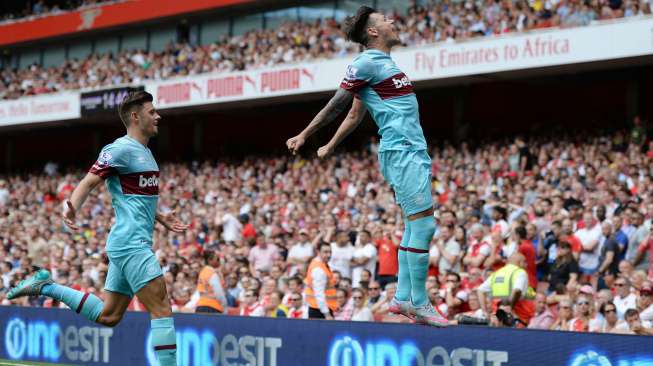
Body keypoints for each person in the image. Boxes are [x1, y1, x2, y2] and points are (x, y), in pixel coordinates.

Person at [286, 5, 446, 327]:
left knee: (415, 228)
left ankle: (402, 298)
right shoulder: (366, 62)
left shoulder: (383, 65)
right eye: (385, 20)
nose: (392, 22)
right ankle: (420, 302)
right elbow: (337, 103)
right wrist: (306, 134)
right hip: (402, 152)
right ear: (373, 32)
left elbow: (356, 113)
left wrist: (330, 144)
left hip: (409, 151)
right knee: (425, 227)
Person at [8, 91, 188, 366]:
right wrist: (72, 205)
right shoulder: (120, 148)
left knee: (109, 316)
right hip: (131, 245)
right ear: (135, 116)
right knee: (161, 309)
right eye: (152, 112)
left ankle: (46, 286)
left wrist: (160, 216)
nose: (158, 116)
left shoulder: (146, 153)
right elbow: (89, 181)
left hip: (127, 243)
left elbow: (137, 201)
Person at [478, 253, 536, 325]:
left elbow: (480, 290)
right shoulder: (520, 272)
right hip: (517, 315)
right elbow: (517, 290)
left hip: (498, 316)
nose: (527, 265)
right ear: (520, 262)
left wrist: (485, 312)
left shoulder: (497, 273)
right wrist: (511, 307)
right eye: (525, 262)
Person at [304, 243, 338, 319]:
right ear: (318, 252)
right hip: (319, 311)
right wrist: (327, 314)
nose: (329, 255)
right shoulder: (318, 269)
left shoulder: (320, 264)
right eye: (325, 252)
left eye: (330, 252)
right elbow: (319, 293)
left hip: (319, 308)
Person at [195, 249, 227, 314]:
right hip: (212, 307)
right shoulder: (212, 273)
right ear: (210, 260)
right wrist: (224, 305)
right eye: (217, 259)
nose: (219, 261)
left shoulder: (203, 271)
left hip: (201, 306)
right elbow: (219, 293)